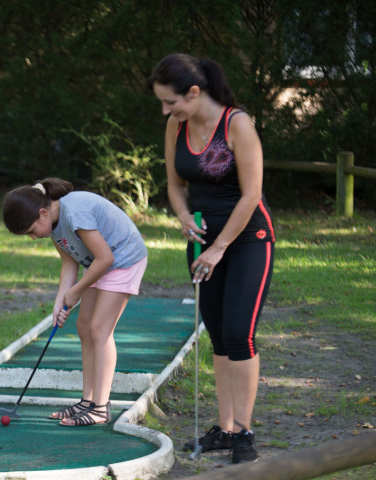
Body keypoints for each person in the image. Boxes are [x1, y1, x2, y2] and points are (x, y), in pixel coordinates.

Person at [147, 53, 275, 463]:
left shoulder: (237, 125)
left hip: (247, 240)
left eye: (172, 102)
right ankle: (225, 428)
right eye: (164, 104)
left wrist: (220, 249)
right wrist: (183, 216)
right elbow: (175, 183)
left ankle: (245, 433)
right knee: (218, 335)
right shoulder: (176, 126)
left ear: (195, 92)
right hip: (203, 242)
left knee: (240, 334)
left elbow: (251, 195)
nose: (167, 111)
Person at [2, 178, 148, 427]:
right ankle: (87, 401)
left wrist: (78, 290)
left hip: (123, 259)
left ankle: (100, 408)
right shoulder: (53, 222)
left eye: (31, 231)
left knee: (100, 330)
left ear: (42, 213)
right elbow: (70, 262)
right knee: (84, 327)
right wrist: (61, 299)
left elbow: (106, 258)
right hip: (98, 263)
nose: (33, 237)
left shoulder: (75, 213)